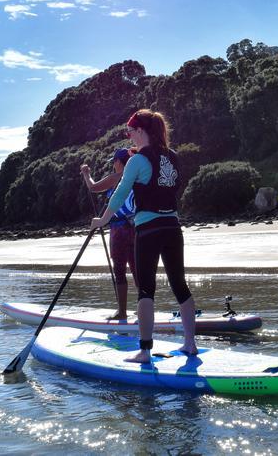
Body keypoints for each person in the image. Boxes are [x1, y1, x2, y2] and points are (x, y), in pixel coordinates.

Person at [93, 108, 197, 363]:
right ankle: (190, 344)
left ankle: (145, 351)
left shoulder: (137, 160)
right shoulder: (172, 157)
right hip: (173, 227)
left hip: (149, 229)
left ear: (141, 131)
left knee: (146, 290)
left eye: (130, 132)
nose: (129, 137)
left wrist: (103, 220)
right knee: (179, 285)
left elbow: (119, 194)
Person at [80, 148, 136, 320]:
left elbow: (93, 187)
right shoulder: (137, 178)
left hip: (119, 230)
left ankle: (122, 312)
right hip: (137, 228)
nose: (113, 165)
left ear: (119, 162)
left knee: (119, 271)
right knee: (138, 270)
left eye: (114, 162)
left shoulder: (116, 178)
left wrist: (86, 173)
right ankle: (145, 309)